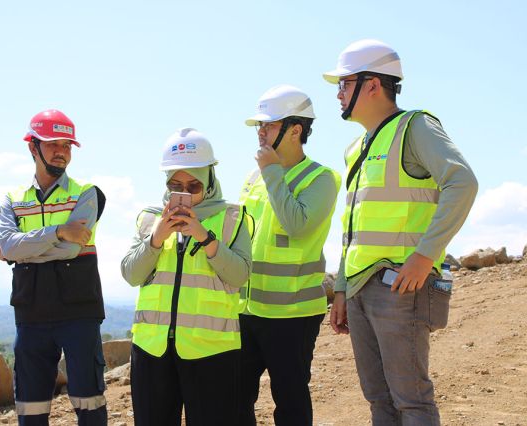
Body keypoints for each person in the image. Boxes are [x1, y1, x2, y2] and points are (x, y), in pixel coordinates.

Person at [324, 39, 478, 425]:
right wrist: (342, 288)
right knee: (379, 400)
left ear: (372, 84)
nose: (338, 94)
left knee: (411, 400)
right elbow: (353, 228)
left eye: (344, 84)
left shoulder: (416, 127)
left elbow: (462, 183)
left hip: (400, 286)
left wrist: (425, 256)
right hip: (360, 289)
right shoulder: (355, 147)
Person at [121, 128, 252, 426]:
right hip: (152, 350)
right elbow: (130, 273)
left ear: (209, 179)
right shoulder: (149, 219)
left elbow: (240, 276)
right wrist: (155, 239)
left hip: (212, 351)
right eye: (175, 185)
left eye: (193, 185)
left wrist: (206, 238)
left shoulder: (233, 217)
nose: (185, 193)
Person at [0, 109, 108, 426]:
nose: (62, 152)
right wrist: (57, 232)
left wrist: (22, 250)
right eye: (53, 144)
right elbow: (9, 245)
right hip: (31, 313)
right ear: (33, 147)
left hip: (79, 311)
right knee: (30, 408)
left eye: (67, 145)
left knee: (89, 402)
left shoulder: (87, 193)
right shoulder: (13, 199)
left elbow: (74, 247)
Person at [238, 85, 340, 426]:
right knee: (235, 398)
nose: (261, 132)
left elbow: (297, 225)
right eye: (259, 126)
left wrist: (272, 172)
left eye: (268, 125)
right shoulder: (253, 178)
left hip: (292, 314)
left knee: (290, 399)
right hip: (246, 309)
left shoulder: (321, 179)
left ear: (296, 129)